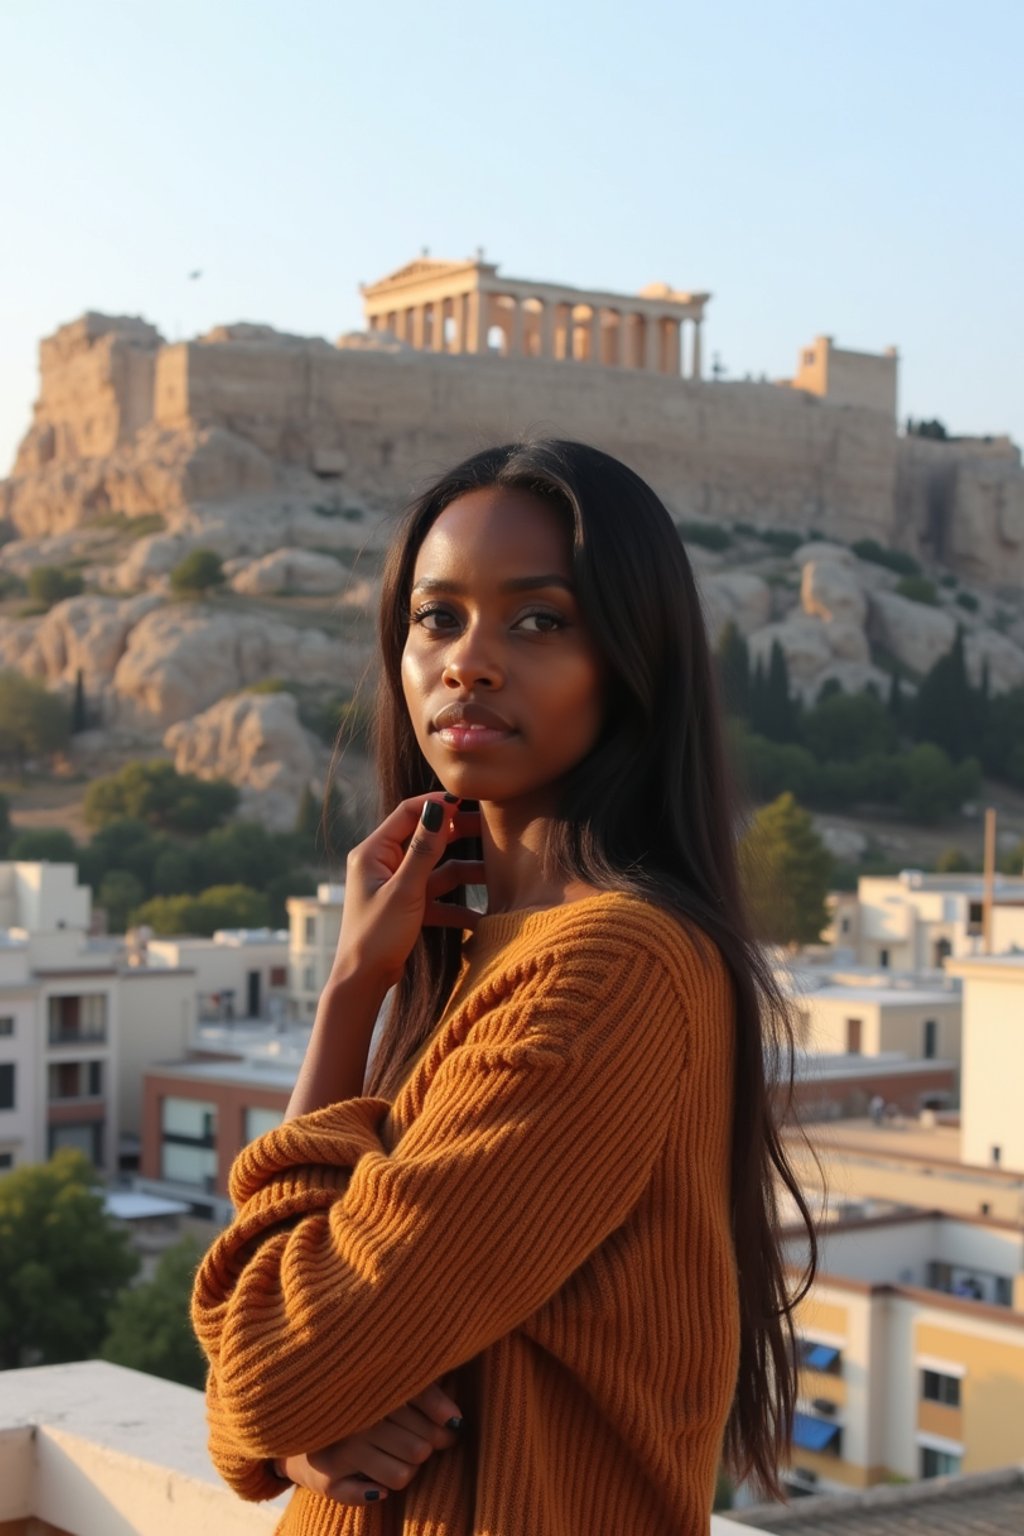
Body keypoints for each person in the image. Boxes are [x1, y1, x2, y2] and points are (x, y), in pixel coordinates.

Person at [191, 439, 816, 1535]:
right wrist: (355, 994)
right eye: (438, 618)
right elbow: (277, 1370)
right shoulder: (487, 953)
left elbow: (263, 1365)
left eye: (538, 621)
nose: (467, 663)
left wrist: (284, 1405)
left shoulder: (605, 969)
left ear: (633, 661)